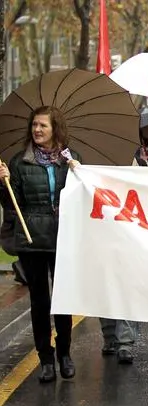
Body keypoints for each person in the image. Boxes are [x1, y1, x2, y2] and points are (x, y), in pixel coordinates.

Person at [0, 106, 81, 383]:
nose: (37, 130)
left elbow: (82, 195)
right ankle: (45, 358)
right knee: (39, 301)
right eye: (34, 125)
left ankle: (65, 354)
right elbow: (12, 204)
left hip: (63, 237)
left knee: (62, 299)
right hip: (32, 239)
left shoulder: (71, 159)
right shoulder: (19, 162)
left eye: (43, 126)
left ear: (55, 128)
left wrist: (79, 173)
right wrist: (3, 184)